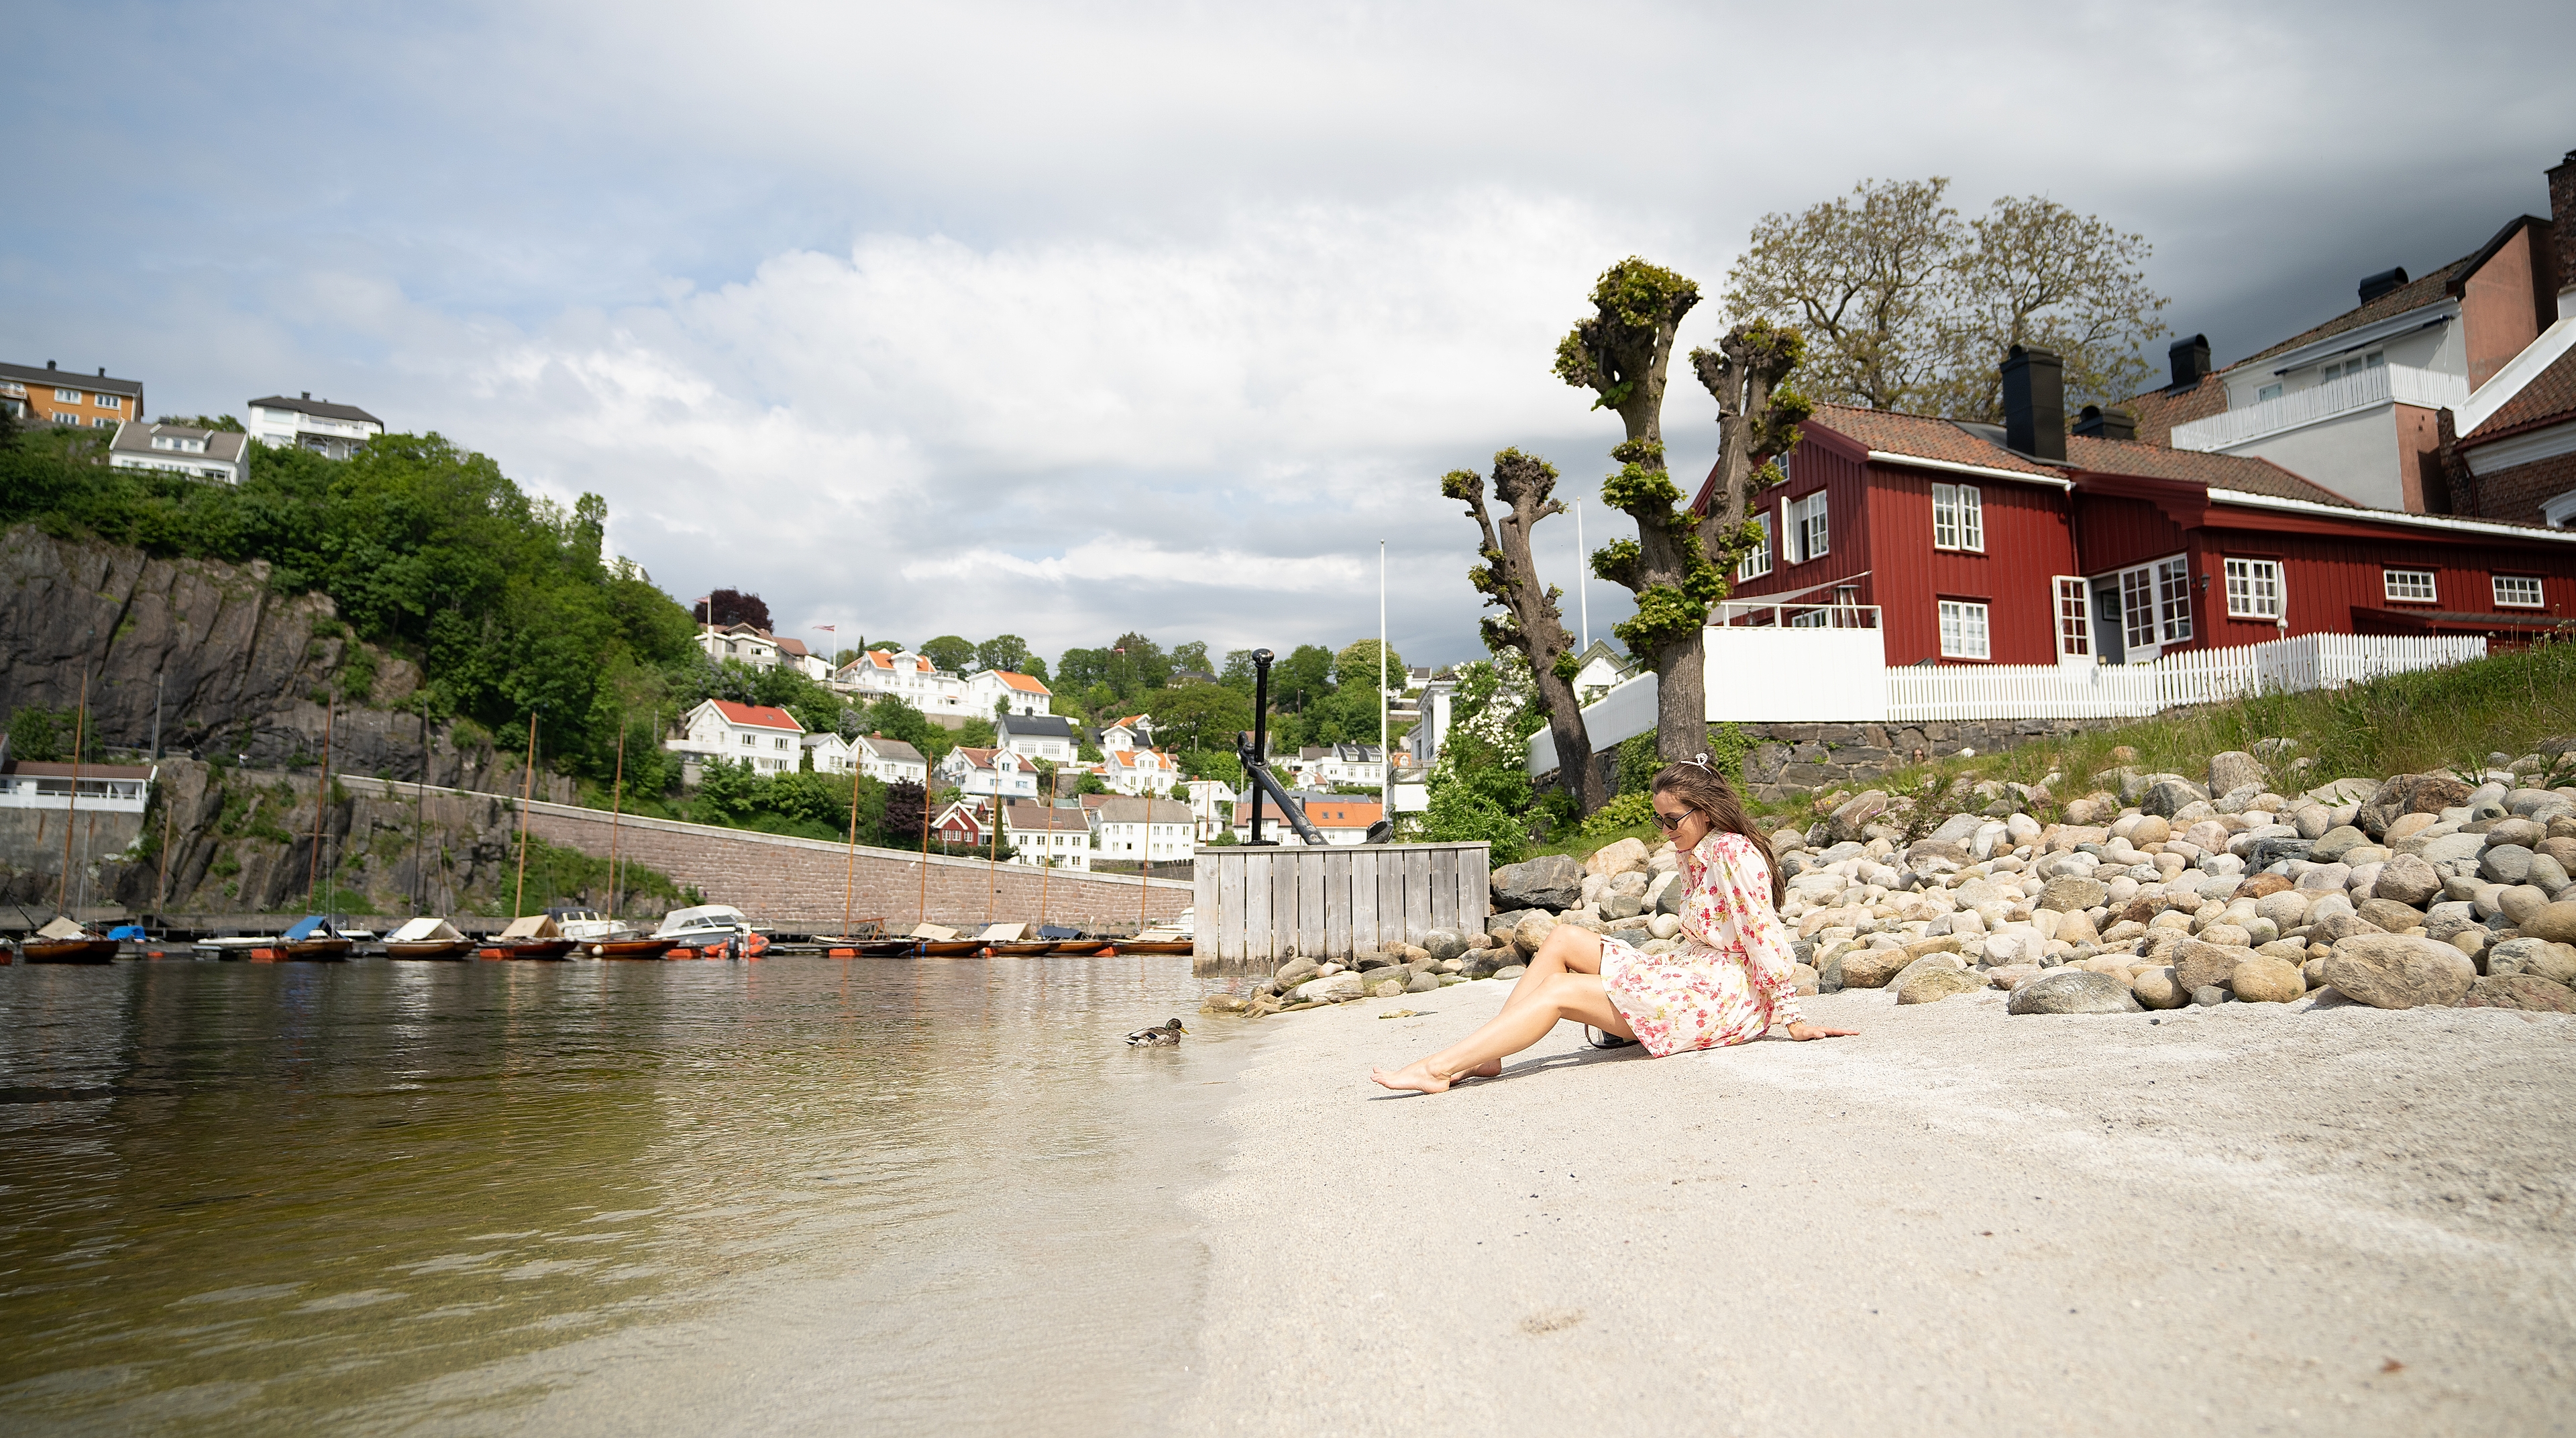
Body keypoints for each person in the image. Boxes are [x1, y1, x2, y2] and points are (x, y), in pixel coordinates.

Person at [1369, 757, 1856, 1094]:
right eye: (1658, 819)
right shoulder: (1697, 850)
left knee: (1560, 990)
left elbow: (1761, 932)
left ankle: (1438, 1068)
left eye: (1672, 820)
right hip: (1693, 975)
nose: (1664, 831)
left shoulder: (1732, 851)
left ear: (1705, 813)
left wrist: (1792, 1017)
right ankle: (1489, 1051)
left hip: (1723, 997)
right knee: (1561, 938)